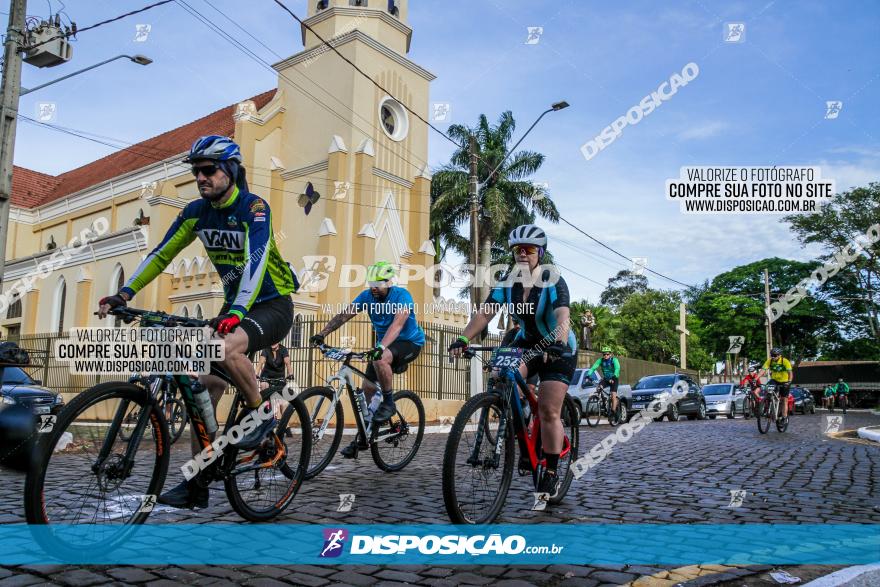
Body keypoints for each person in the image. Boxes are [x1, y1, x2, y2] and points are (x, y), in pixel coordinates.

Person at [98, 135, 298, 508]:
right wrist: (124, 294)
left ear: (231, 171)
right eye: (196, 172)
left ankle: (260, 414)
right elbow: (161, 254)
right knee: (200, 387)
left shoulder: (254, 208)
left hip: (270, 305)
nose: (200, 177)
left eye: (208, 170)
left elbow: (255, 261)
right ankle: (199, 482)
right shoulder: (196, 212)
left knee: (221, 348)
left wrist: (237, 311)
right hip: (235, 307)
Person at [449, 224, 576, 498]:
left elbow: (563, 316)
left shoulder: (552, 280)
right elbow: (485, 314)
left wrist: (559, 343)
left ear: (540, 253)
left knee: (549, 410)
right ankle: (524, 430)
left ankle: (551, 472)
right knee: (500, 376)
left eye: (529, 249)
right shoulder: (507, 281)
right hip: (527, 342)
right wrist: (463, 338)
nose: (522, 254)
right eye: (518, 249)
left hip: (557, 344)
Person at [309, 261, 425, 458]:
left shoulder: (402, 296)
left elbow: (397, 325)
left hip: (409, 343)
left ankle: (389, 402)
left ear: (388, 282)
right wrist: (322, 333)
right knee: (368, 389)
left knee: (380, 359)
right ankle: (368, 432)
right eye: (370, 282)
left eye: (377, 283)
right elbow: (345, 314)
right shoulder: (367, 296)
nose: (373, 287)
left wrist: (380, 348)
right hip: (385, 345)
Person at [258, 342, 292, 419]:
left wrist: (291, 374)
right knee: (264, 387)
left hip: (279, 377)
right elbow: (261, 362)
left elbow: (287, 363)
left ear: (279, 341)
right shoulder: (266, 349)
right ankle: (268, 417)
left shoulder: (283, 349)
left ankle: (284, 422)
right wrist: (256, 374)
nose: (273, 343)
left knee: (282, 402)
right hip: (266, 376)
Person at [585, 347, 621, 422]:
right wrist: (588, 375)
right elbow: (593, 368)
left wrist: (614, 376)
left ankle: (614, 412)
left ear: (610, 354)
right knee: (598, 388)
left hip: (614, 378)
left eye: (607, 354)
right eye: (604, 354)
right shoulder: (600, 360)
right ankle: (603, 400)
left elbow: (617, 368)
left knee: (613, 395)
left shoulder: (614, 360)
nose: (605, 355)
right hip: (606, 379)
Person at [759, 347, 793, 420]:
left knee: (784, 399)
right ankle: (767, 407)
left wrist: (789, 381)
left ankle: (784, 417)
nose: (773, 357)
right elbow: (763, 370)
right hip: (774, 380)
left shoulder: (785, 361)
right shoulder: (770, 361)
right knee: (768, 390)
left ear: (779, 355)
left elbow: (790, 373)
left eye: (775, 355)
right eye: (772, 355)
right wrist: (755, 379)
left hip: (785, 381)